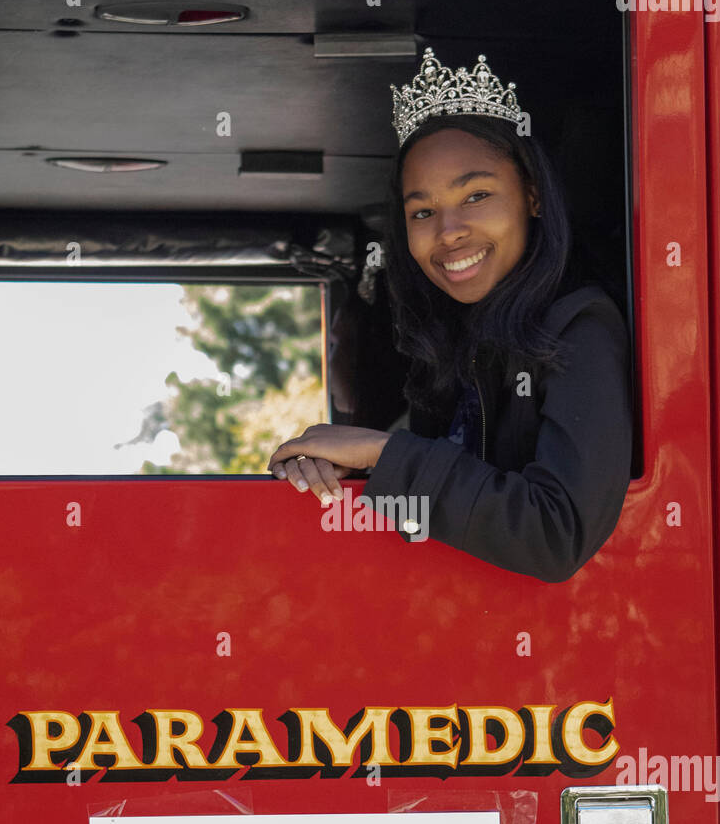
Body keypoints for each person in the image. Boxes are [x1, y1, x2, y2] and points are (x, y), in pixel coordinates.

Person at [268, 48, 633, 581]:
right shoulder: (451, 341)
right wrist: (338, 470)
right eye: (423, 211)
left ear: (531, 196)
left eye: (477, 195)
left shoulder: (580, 328)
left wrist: (384, 452)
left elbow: (557, 532)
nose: (448, 232)